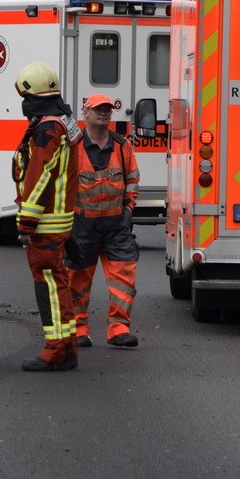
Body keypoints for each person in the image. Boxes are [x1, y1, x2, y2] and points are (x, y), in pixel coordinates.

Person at [12, 61, 81, 372]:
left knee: (48, 285)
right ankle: (66, 346)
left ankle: (55, 349)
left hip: (45, 223)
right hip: (58, 219)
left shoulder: (46, 128)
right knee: (58, 284)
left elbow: (40, 175)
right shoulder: (61, 121)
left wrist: (27, 221)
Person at [67, 93, 140, 349]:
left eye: (108, 109)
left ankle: (119, 329)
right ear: (85, 112)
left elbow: (132, 179)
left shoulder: (122, 146)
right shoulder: (72, 145)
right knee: (76, 279)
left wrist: (128, 209)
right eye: (98, 109)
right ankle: (78, 329)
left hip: (115, 224)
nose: (104, 113)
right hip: (82, 224)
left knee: (124, 278)